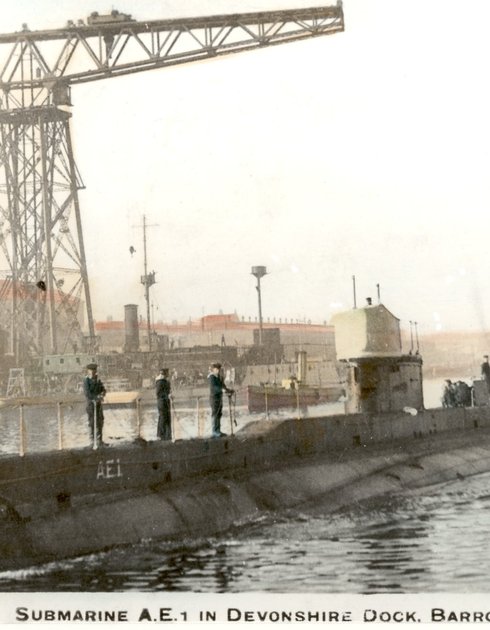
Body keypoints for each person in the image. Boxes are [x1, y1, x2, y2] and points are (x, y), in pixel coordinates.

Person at [83, 363, 106, 447]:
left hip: (98, 405)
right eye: (91, 371)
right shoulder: (86, 381)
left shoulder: (97, 380)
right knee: (92, 422)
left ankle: (100, 441)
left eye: (94, 371)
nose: (93, 372)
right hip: (91, 405)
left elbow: (103, 389)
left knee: (100, 421)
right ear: (88, 371)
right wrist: (96, 398)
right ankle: (92, 441)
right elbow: (87, 394)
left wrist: (102, 394)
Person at [208, 362, 233, 438]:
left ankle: (218, 430)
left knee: (219, 414)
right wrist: (222, 390)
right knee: (215, 414)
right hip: (214, 399)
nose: (218, 371)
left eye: (218, 369)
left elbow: (223, 386)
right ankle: (214, 431)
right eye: (216, 369)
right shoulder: (211, 377)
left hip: (219, 398)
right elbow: (214, 387)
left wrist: (228, 390)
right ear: (213, 369)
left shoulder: (218, 377)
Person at [156, 368, 172, 441]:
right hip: (162, 402)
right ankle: (162, 436)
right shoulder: (160, 381)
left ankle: (167, 435)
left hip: (165, 402)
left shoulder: (165, 381)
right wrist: (167, 396)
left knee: (166, 418)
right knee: (163, 418)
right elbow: (158, 393)